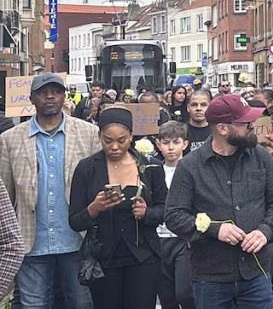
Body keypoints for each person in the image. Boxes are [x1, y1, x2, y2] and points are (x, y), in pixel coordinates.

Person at [164, 95, 273, 309]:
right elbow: (174, 216)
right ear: (223, 128)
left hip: (256, 273)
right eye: (245, 123)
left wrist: (265, 231)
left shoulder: (261, 157)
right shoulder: (190, 166)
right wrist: (214, 229)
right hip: (211, 277)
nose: (253, 126)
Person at [0, 73, 99, 309]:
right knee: (33, 304)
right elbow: (5, 195)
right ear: (32, 98)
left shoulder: (88, 133)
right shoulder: (9, 139)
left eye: (55, 91)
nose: (50, 97)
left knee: (81, 303)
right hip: (30, 241)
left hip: (77, 239)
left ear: (64, 96)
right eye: (43, 92)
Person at [68, 107, 166, 309]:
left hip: (144, 258)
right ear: (99, 136)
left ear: (131, 136)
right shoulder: (87, 168)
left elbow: (167, 210)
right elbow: (75, 220)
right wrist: (94, 208)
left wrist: (147, 213)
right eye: (107, 140)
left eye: (121, 140)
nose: (114, 147)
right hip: (104, 259)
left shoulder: (151, 167)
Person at [154, 122, 195, 309]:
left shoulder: (192, 170)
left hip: (182, 239)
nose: (171, 148)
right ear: (158, 144)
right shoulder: (154, 171)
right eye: (166, 142)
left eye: (176, 142)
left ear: (185, 144)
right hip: (159, 238)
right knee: (166, 294)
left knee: (185, 292)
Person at [185, 90, 212, 155]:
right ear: (188, 108)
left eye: (203, 105)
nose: (198, 108)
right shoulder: (181, 132)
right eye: (194, 105)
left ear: (210, 107)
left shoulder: (217, 131)